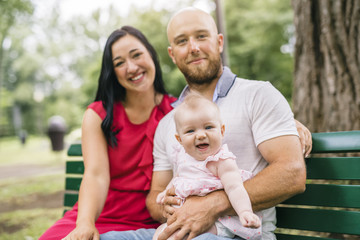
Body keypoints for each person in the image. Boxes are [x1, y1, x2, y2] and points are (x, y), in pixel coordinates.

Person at [145, 7, 310, 240]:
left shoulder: (258, 95)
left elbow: (292, 173)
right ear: (172, 54)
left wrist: (212, 204)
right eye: (182, 41)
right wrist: (167, 207)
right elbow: (155, 195)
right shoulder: (167, 124)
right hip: (180, 230)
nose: (193, 47)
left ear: (219, 42)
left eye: (201, 36)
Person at [39, 26, 176, 240]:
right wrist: (85, 223)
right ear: (112, 72)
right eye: (119, 63)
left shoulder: (177, 112)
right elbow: (95, 175)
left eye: (137, 55)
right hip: (102, 215)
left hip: (153, 219)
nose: (131, 67)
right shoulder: (98, 115)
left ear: (151, 54)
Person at [152, 93, 261, 240]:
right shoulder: (183, 156)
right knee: (159, 233)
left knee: (178, 237)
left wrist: (245, 212)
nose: (201, 135)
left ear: (221, 131)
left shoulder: (221, 161)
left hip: (219, 221)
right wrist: (165, 192)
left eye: (208, 127)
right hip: (185, 218)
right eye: (191, 131)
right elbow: (178, 177)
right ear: (180, 139)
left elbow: (235, 187)